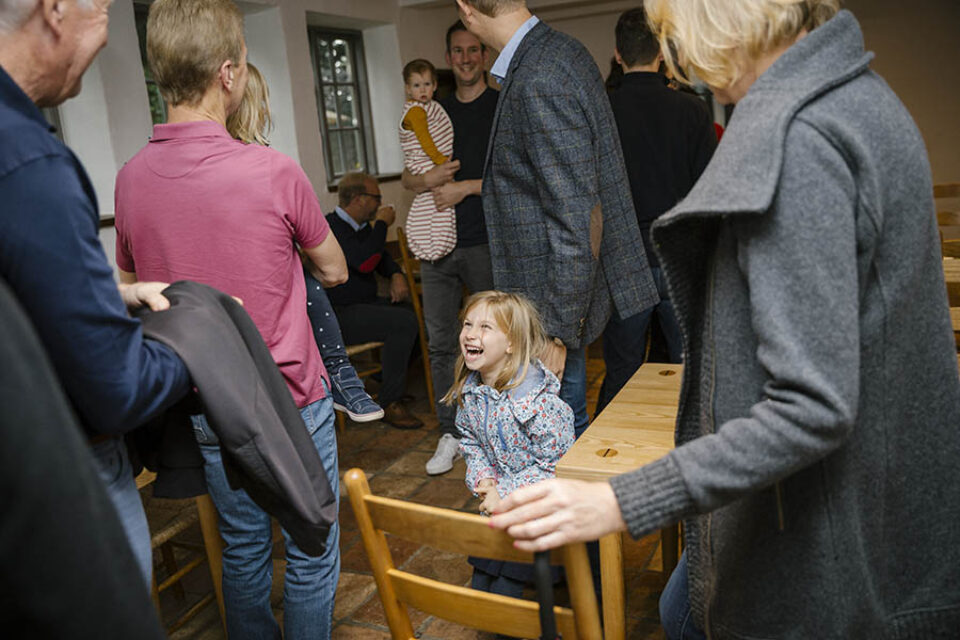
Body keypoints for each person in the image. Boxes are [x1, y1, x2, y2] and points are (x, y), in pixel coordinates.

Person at [489, 2, 960, 638]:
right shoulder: (855, 95)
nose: (676, 48)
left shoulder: (802, 139)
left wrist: (618, 499)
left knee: (689, 617)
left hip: (831, 516)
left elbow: (811, 405)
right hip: (853, 492)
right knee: (681, 610)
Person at [114, 1, 348, 637]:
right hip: (291, 398)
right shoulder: (272, 171)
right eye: (244, 56)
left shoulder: (130, 178)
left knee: (243, 552)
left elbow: (134, 287)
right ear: (228, 74)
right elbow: (335, 271)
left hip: (206, 403)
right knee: (312, 549)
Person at [0, 0, 190, 583]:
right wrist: (201, 338)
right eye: (104, 7)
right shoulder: (29, 161)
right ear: (54, 9)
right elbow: (118, 390)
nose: (108, 35)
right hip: (56, 472)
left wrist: (105, 294)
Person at [455, 0, 659, 437]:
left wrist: (557, 332)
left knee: (553, 442)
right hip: (550, 302)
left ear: (466, 10)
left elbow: (575, 216)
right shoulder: (559, 52)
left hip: (547, 312)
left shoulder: (538, 75)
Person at [227, 62, 382, 423]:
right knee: (306, 278)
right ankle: (341, 371)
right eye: (262, 103)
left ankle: (341, 373)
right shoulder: (268, 168)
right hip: (263, 292)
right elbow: (336, 270)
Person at [595, 6, 717, 415]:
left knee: (624, 369)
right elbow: (708, 191)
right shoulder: (693, 110)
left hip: (624, 260)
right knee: (688, 370)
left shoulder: (603, 113)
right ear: (661, 53)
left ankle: (608, 465)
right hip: (679, 256)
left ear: (617, 54)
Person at [402, 20, 498, 476]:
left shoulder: (500, 107)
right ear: (448, 58)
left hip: (483, 242)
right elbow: (407, 176)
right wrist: (427, 180)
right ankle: (452, 433)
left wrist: (464, 189)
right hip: (435, 244)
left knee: (495, 342)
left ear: (484, 55)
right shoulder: (430, 111)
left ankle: (497, 428)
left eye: (473, 50)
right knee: (442, 345)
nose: (465, 58)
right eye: (457, 51)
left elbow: (516, 177)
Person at [443, 290, 574, 601]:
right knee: (482, 594)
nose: (471, 335)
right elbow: (471, 441)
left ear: (512, 343)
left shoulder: (537, 404)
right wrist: (484, 480)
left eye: (486, 328)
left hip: (539, 516)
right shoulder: (473, 393)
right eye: (468, 324)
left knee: (510, 598)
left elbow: (558, 464)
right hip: (501, 511)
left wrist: (506, 492)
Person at [325, 172, 424, 430]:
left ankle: (385, 379)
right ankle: (390, 402)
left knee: (415, 312)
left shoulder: (362, 228)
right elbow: (365, 261)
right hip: (340, 314)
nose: (380, 204)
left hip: (364, 306)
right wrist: (382, 224)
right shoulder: (332, 227)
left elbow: (382, 261)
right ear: (358, 199)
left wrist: (396, 274)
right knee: (403, 322)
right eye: (376, 198)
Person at [399, 58, 457, 261]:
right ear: (408, 89)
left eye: (426, 84)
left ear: (434, 86)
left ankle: (437, 244)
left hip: (435, 165)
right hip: (426, 163)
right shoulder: (415, 111)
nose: (422, 90)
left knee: (440, 208)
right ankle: (427, 245)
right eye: (416, 85)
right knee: (432, 209)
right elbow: (425, 141)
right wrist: (441, 160)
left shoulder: (431, 107)